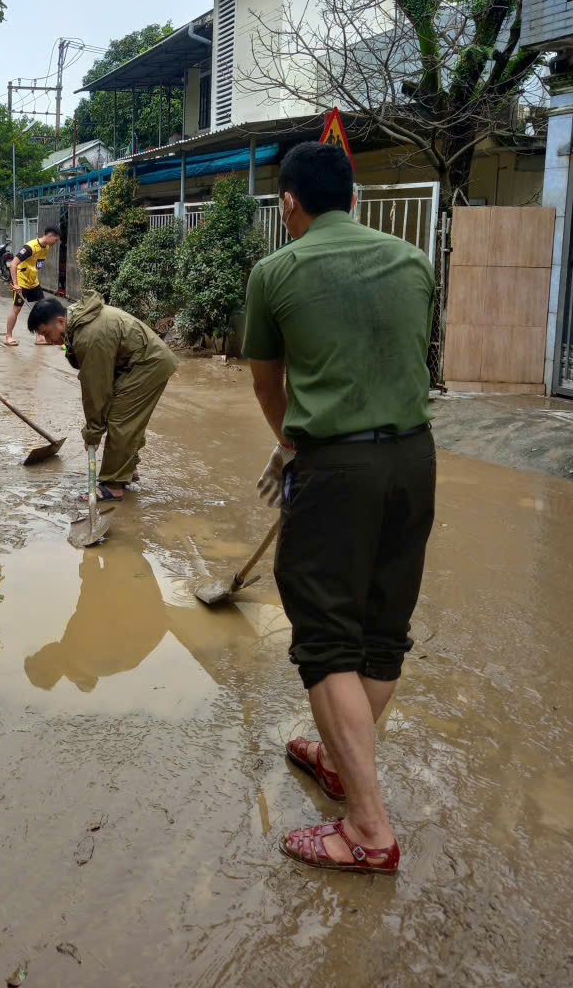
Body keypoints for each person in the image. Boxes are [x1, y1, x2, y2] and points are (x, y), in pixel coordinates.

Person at [241, 141, 436, 876]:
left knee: (325, 640)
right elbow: (408, 358)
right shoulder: (414, 262)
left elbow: (268, 386)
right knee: (382, 631)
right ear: (353, 198)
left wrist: (291, 444)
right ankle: (333, 757)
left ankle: (367, 828)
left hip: (334, 467)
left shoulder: (275, 272)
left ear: (289, 202)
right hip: (415, 460)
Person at [27, 293, 177, 500]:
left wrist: (93, 432)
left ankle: (113, 486)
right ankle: (128, 469)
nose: (47, 340)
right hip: (133, 363)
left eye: (46, 333)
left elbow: (96, 389)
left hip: (148, 364)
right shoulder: (78, 320)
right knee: (123, 417)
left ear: (60, 321)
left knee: (121, 421)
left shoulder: (88, 335)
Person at [5, 227, 62, 346]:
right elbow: (14, 264)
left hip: (33, 281)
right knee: (17, 309)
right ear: (50, 235)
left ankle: (40, 337)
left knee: (42, 307)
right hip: (21, 281)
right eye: (56, 240)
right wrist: (15, 284)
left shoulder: (46, 247)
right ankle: (8, 336)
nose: (55, 243)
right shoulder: (30, 247)